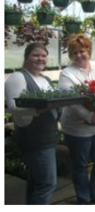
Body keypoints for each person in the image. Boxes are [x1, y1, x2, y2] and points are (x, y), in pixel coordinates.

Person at [58, 34, 95, 205]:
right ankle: (84, 199)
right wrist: (90, 117)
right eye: (74, 53)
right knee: (80, 165)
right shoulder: (66, 74)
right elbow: (72, 103)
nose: (78, 55)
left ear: (88, 50)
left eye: (82, 51)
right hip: (77, 129)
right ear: (70, 55)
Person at [5, 43, 59, 204]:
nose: (40, 58)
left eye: (43, 55)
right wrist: (40, 109)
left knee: (37, 182)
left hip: (48, 136)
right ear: (27, 57)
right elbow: (14, 108)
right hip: (34, 140)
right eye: (36, 55)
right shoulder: (18, 77)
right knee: (47, 184)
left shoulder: (45, 79)